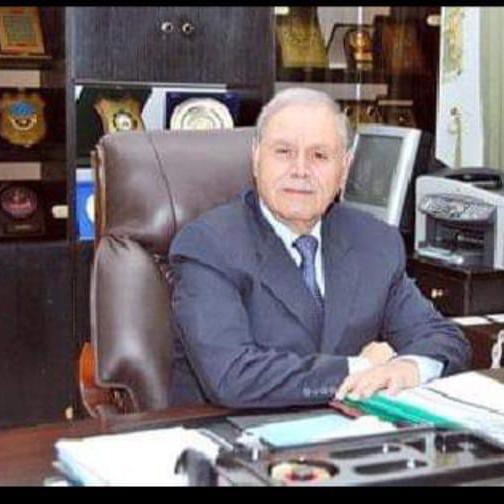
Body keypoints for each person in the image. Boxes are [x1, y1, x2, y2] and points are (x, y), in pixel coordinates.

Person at [167, 88, 471, 409]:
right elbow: (232, 376)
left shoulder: (374, 241)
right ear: (256, 158)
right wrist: (360, 368)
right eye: (283, 152)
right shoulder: (208, 245)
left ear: (345, 168)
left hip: (352, 429)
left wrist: (408, 368)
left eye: (319, 156)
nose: (300, 170)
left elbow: (443, 339)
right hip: (233, 432)